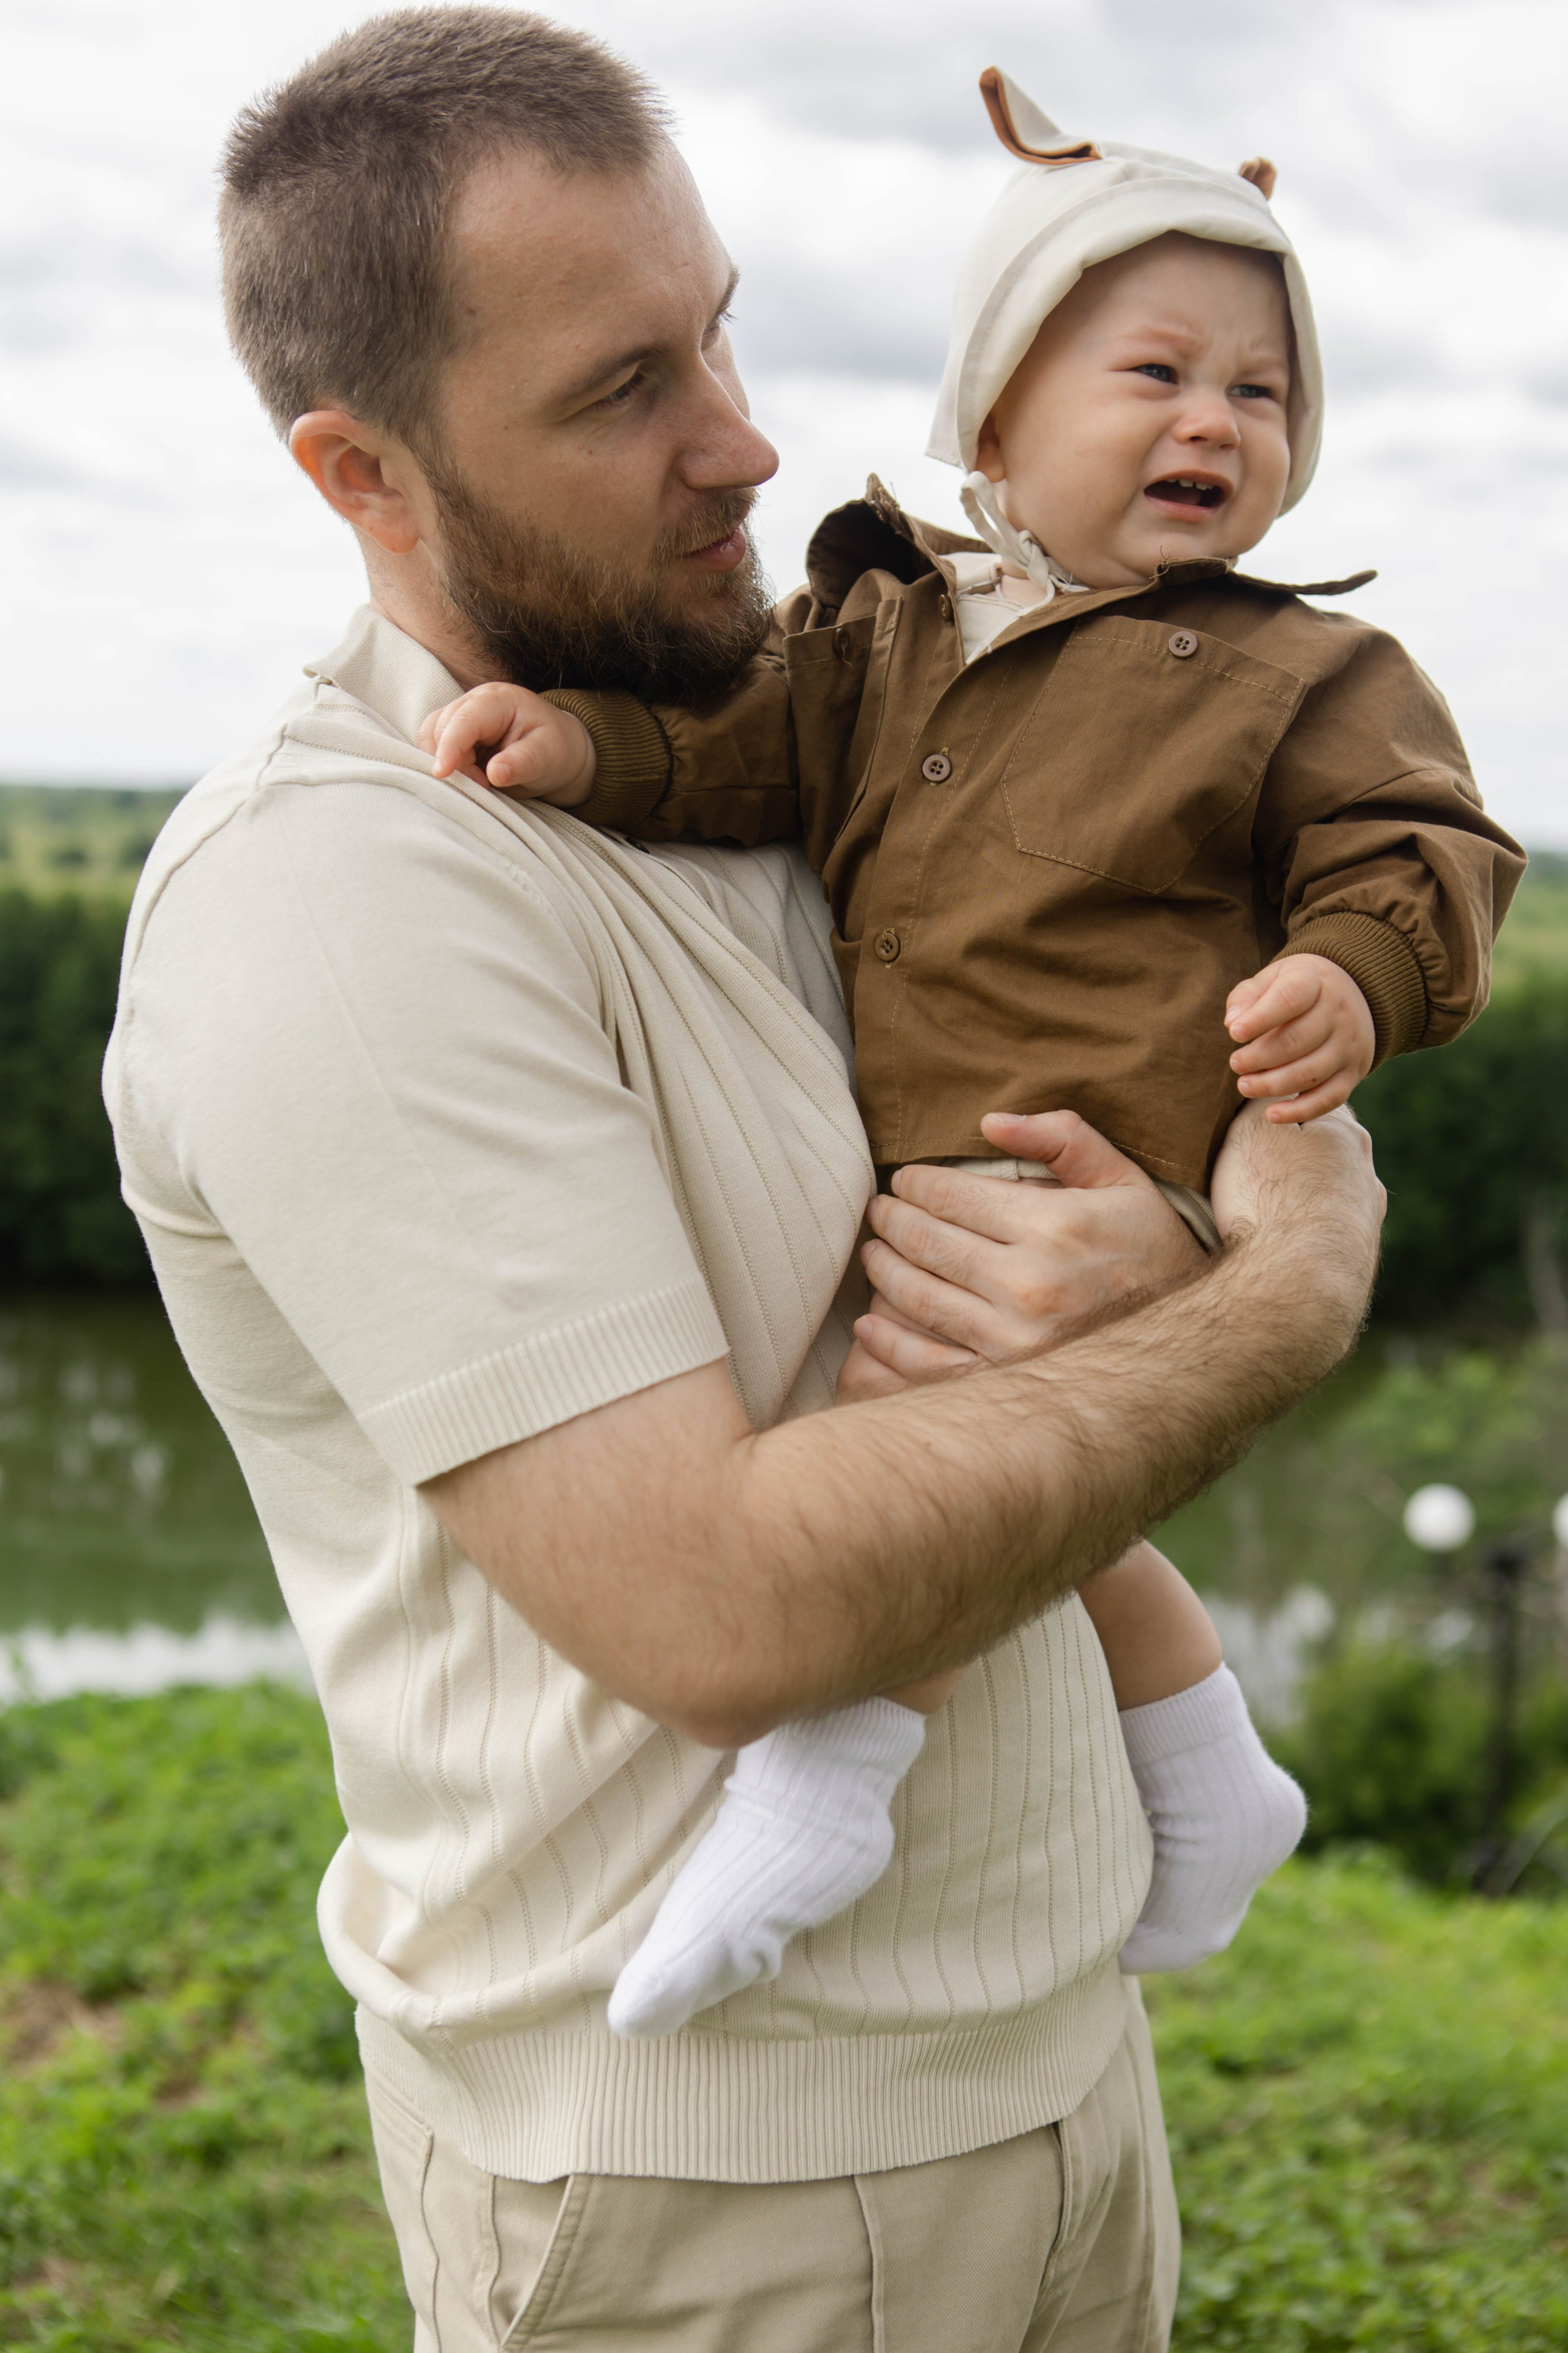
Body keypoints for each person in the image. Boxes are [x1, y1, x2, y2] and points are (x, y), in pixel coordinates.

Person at [105, 17, 1385, 2350]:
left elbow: (1119, 1031)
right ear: (359, 468)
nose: (748, 441)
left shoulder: (790, 743)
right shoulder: (343, 906)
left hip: (1052, 2072)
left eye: (720, 329)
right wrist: (1277, 1299)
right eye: (620, 391)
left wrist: (1175, 1213)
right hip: (720, 2200)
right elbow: (724, 1615)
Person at [421, 66, 1526, 2039]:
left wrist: (1352, 976)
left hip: (1093, 1154)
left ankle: (824, 1782)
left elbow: (1421, 847)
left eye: (1261, 395)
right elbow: (747, 746)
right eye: (1156, 373)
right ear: (1001, 413)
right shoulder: (885, 622)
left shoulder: (1302, 673)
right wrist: (590, 749)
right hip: (928, 1140)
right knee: (1052, 1503)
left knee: (916, 1416)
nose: (1214, 420)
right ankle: (1215, 1774)